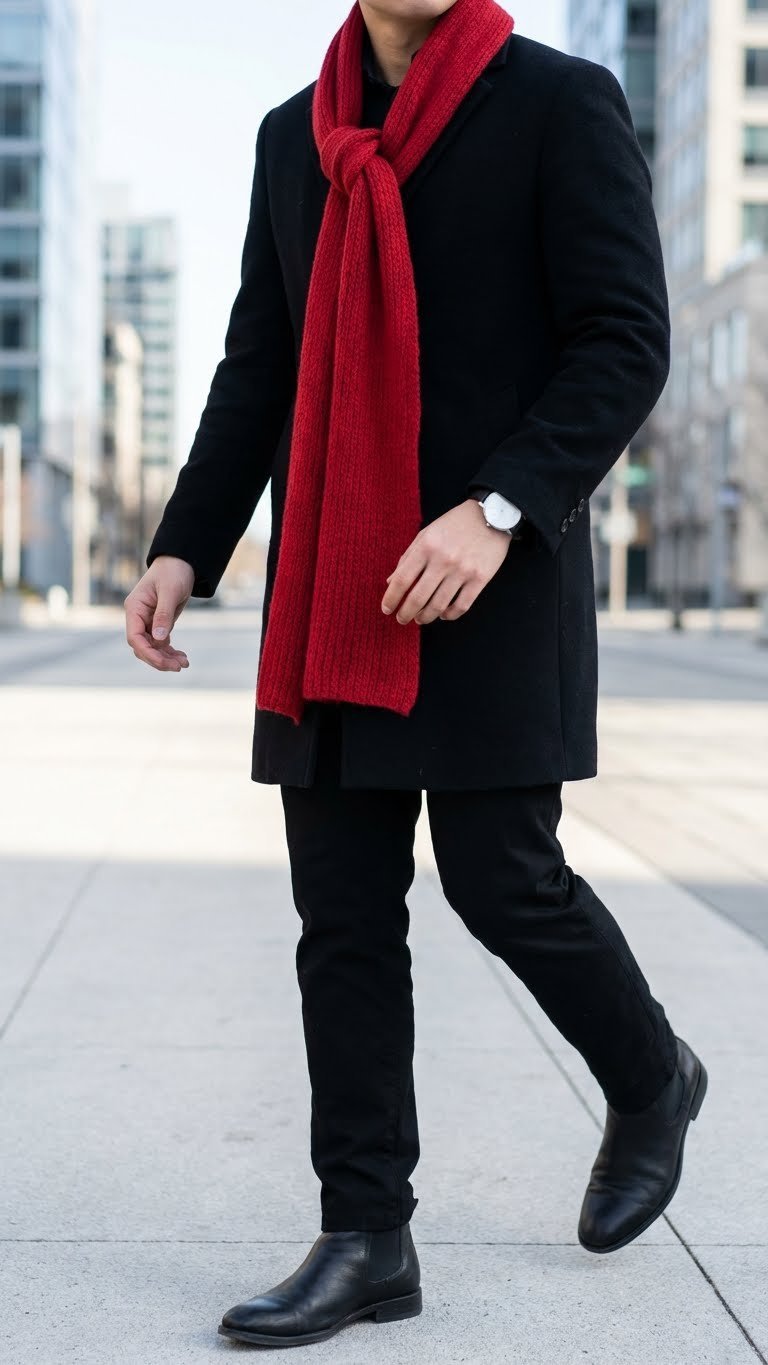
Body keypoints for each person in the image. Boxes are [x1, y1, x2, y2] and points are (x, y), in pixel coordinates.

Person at [124, 0, 708, 1348]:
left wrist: (498, 507)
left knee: (506, 878)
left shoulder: (562, 107)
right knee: (341, 910)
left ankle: (651, 1074)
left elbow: (624, 337)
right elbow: (256, 366)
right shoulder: (296, 141)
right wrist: (183, 546)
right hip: (337, 580)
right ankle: (366, 1231)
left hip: (491, 579)